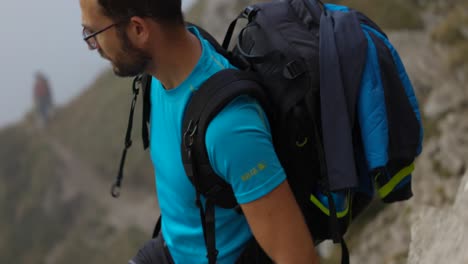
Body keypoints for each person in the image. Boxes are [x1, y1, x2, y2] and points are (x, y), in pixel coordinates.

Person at [79, 0, 319, 263]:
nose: (94, 47)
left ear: (138, 30)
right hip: (170, 249)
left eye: (92, 35)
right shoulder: (166, 66)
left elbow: (297, 256)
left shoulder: (228, 128)